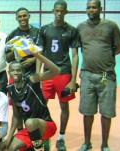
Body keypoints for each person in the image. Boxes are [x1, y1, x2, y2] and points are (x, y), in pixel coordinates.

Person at [77, 0, 120, 151]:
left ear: (100, 8)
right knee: (87, 112)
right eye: (88, 7)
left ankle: (104, 144)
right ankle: (87, 143)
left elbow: (119, 47)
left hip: (106, 76)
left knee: (107, 112)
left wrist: (106, 58)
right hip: (87, 76)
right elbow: (79, 49)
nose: (91, 9)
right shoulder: (81, 27)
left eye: (94, 7)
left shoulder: (111, 26)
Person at [37, 1, 80, 150]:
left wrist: (74, 80)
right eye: (57, 11)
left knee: (64, 106)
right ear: (53, 11)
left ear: (66, 12)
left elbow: (75, 56)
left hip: (64, 73)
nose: (59, 13)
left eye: (62, 11)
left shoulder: (72, 30)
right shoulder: (44, 29)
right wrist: (38, 74)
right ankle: (44, 137)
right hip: (48, 73)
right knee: (42, 106)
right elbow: (39, 53)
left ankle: (61, 138)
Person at [2, 45, 61, 151]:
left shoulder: (32, 80)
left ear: (23, 71)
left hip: (46, 125)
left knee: (30, 122)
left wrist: (37, 55)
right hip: (30, 130)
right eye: (13, 70)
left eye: (18, 70)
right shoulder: (10, 89)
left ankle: (40, 147)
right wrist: (8, 138)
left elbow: (56, 71)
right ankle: (39, 143)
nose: (15, 72)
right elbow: (16, 116)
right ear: (9, 72)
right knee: (10, 148)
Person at [6, 7, 40, 78]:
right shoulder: (12, 35)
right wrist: (16, 47)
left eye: (24, 16)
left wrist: (33, 59)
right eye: (19, 17)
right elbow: (8, 59)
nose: (22, 18)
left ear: (29, 16)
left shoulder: (38, 32)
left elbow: (44, 52)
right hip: (16, 74)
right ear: (16, 19)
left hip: (33, 73)